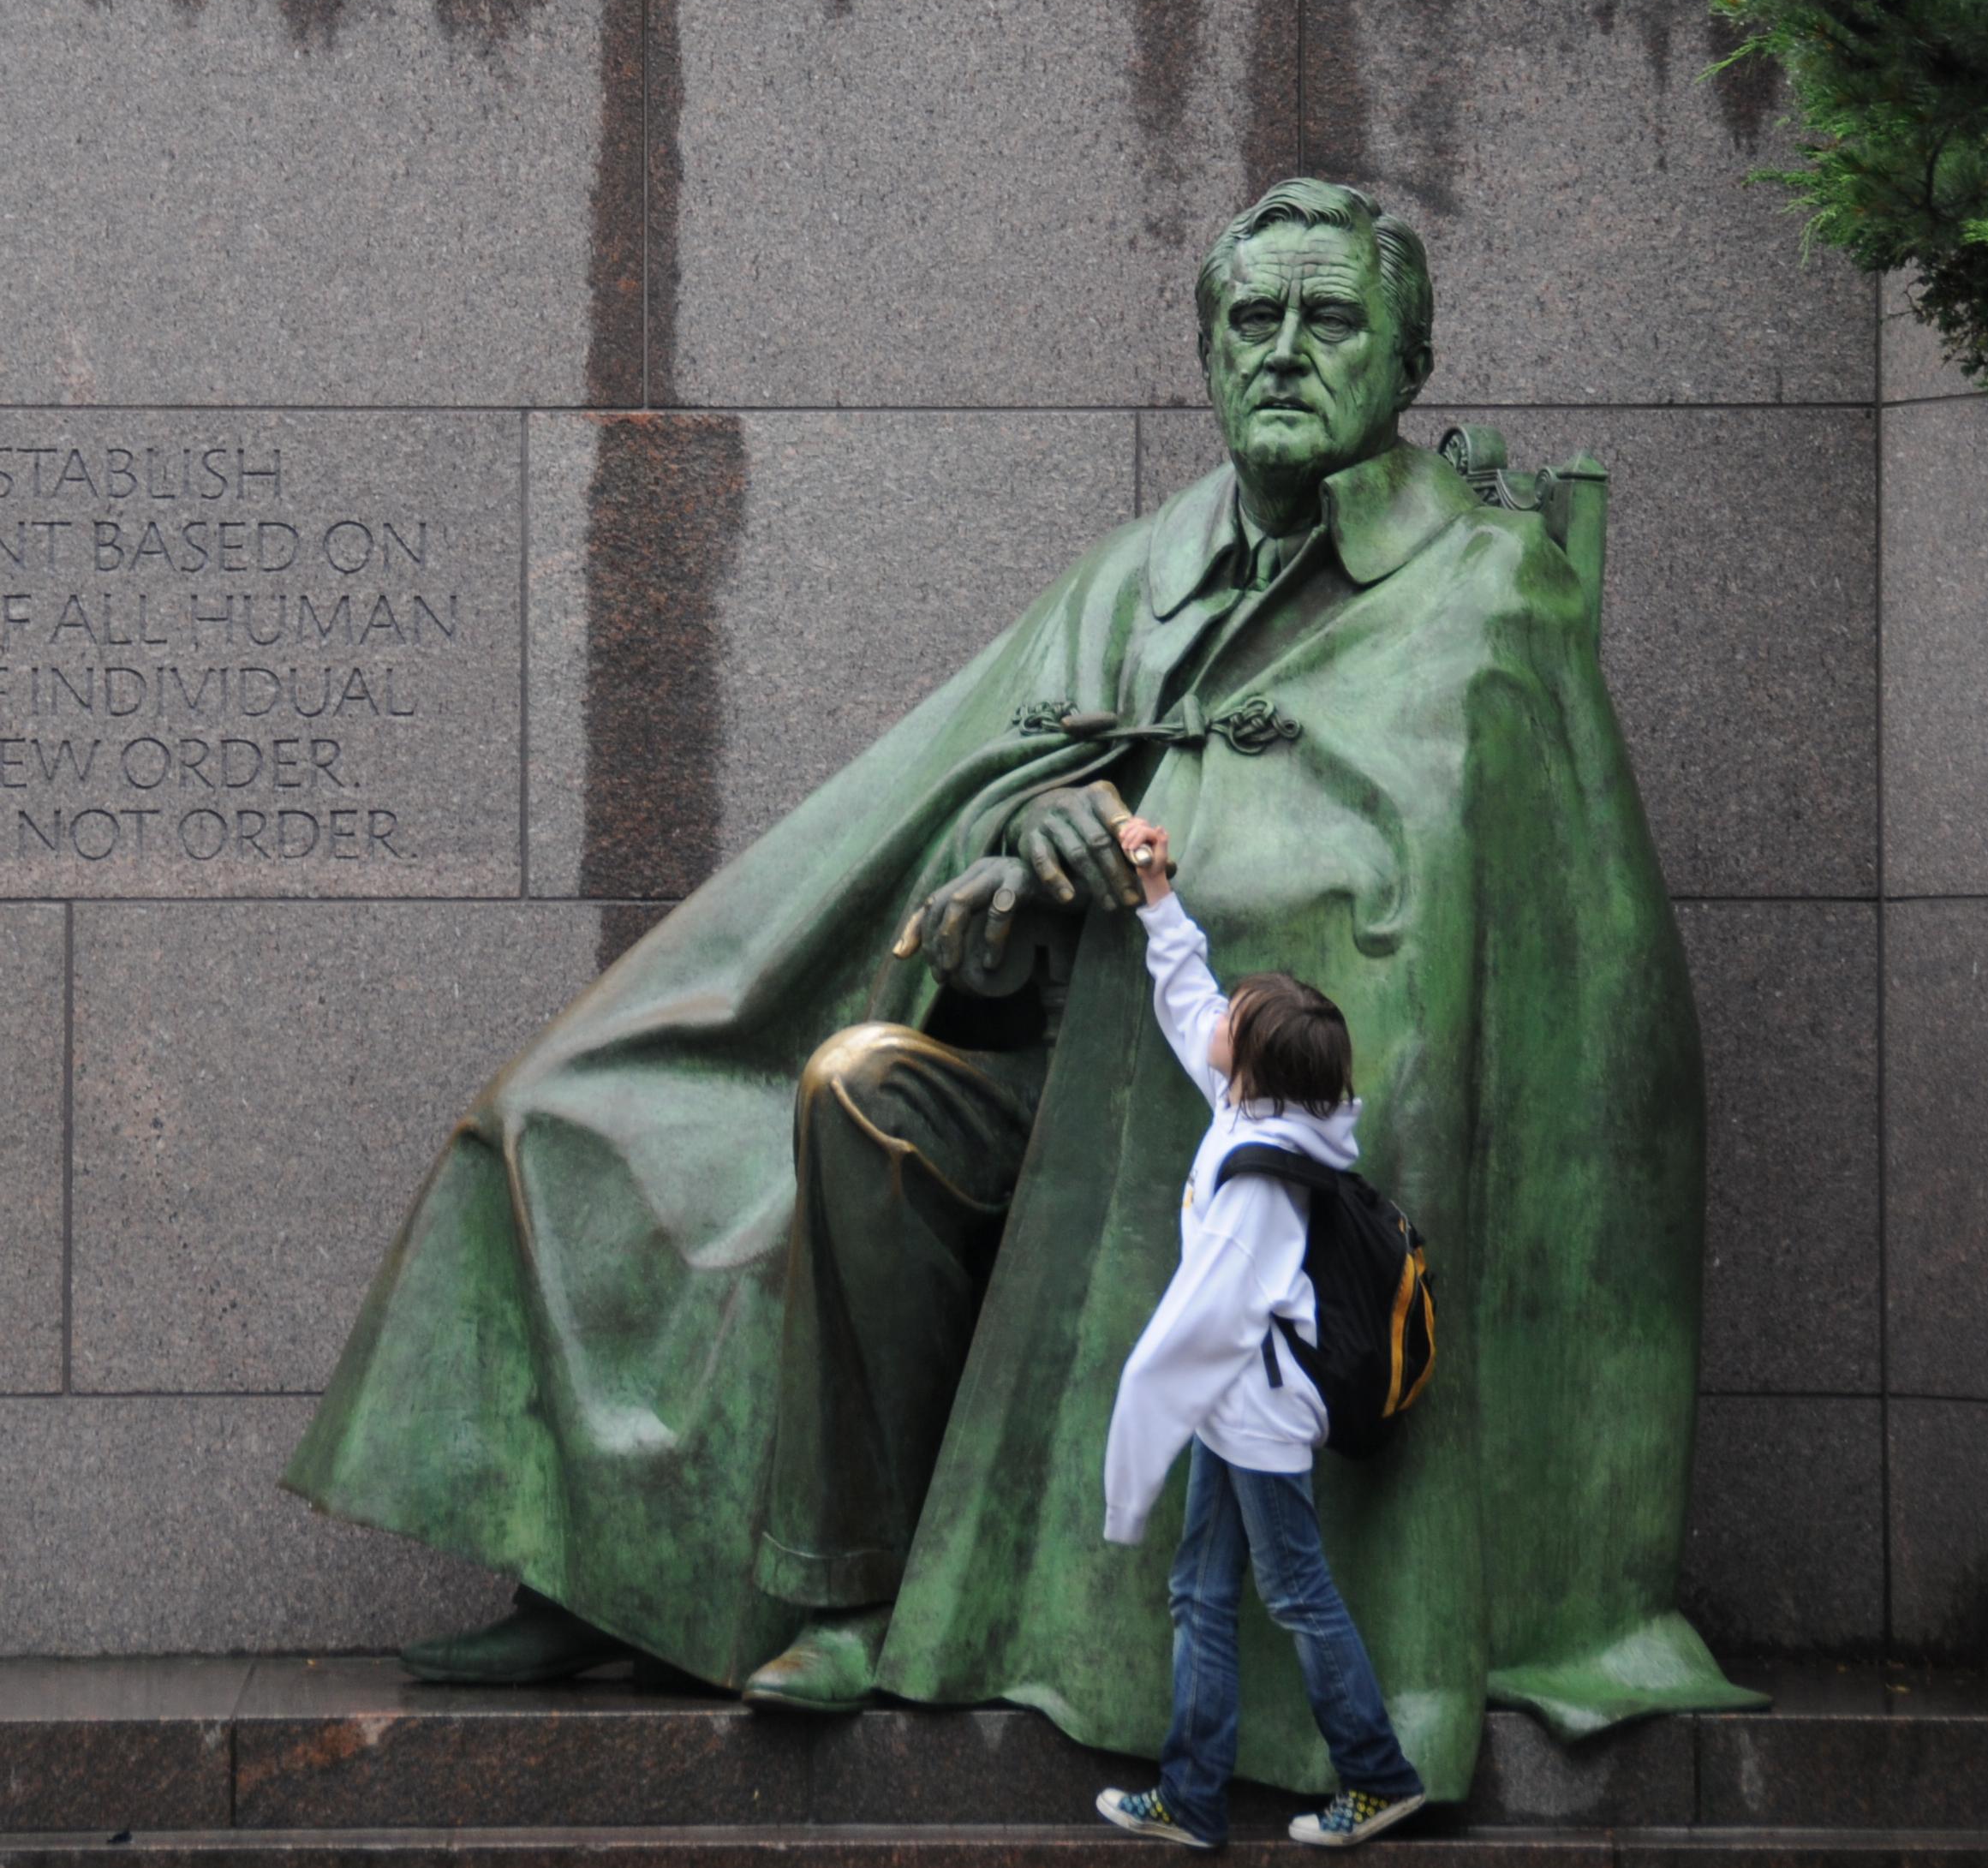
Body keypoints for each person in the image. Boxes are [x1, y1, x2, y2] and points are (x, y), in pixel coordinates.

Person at [285, 178, 1759, 1805]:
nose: (1280, 352)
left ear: (1405, 358)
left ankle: (1083, 1651)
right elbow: (957, 817)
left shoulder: (1490, 591)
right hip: (1046, 1071)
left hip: (1234, 1135)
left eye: (1326, 318)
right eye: (1247, 320)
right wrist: (1016, 839)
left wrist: (1168, 864)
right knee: (770, 1092)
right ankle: (751, 1576)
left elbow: (1530, 971)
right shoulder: (1138, 571)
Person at [1092, 815, 1424, 1851]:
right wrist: (1156, 892)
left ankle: (1376, 1774)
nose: (1221, 1012)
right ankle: (1191, 1798)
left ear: (1257, 1065)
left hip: (1258, 1410)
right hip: (1235, 1405)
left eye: (1239, 1015)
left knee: (1290, 1592)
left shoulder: (1260, 1179)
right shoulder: (1256, 1110)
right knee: (1204, 1591)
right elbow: (1189, 994)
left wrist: (1129, 1472)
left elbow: (1195, 1328)